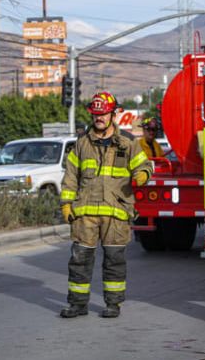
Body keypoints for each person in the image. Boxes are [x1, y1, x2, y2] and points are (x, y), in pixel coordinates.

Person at [58, 91, 153, 319]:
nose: (98, 118)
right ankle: (78, 304)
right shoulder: (81, 144)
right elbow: (71, 176)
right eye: (95, 115)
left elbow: (145, 166)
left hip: (117, 213)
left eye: (103, 114)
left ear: (113, 114)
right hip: (85, 214)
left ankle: (113, 304)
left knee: (114, 262)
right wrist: (66, 204)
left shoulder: (128, 143)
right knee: (79, 261)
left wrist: (141, 176)